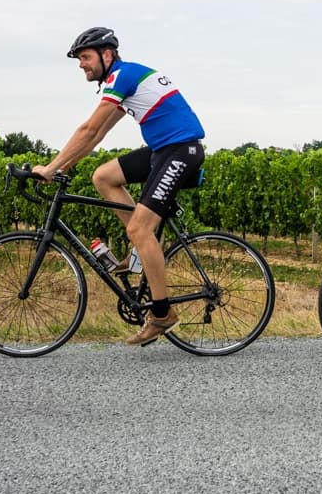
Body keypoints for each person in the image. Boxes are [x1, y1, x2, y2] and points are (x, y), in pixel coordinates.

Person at [33, 27, 206, 346]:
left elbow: (87, 128)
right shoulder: (123, 81)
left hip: (181, 150)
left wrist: (51, 167)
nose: (81, 65)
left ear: (107, 55)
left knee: (139, 229)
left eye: (85, 57)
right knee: (103, 177)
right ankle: (142, 249)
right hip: (163, 149)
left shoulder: (122, 77)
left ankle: (162, 313)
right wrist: (64, 167)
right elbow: (97, 135)